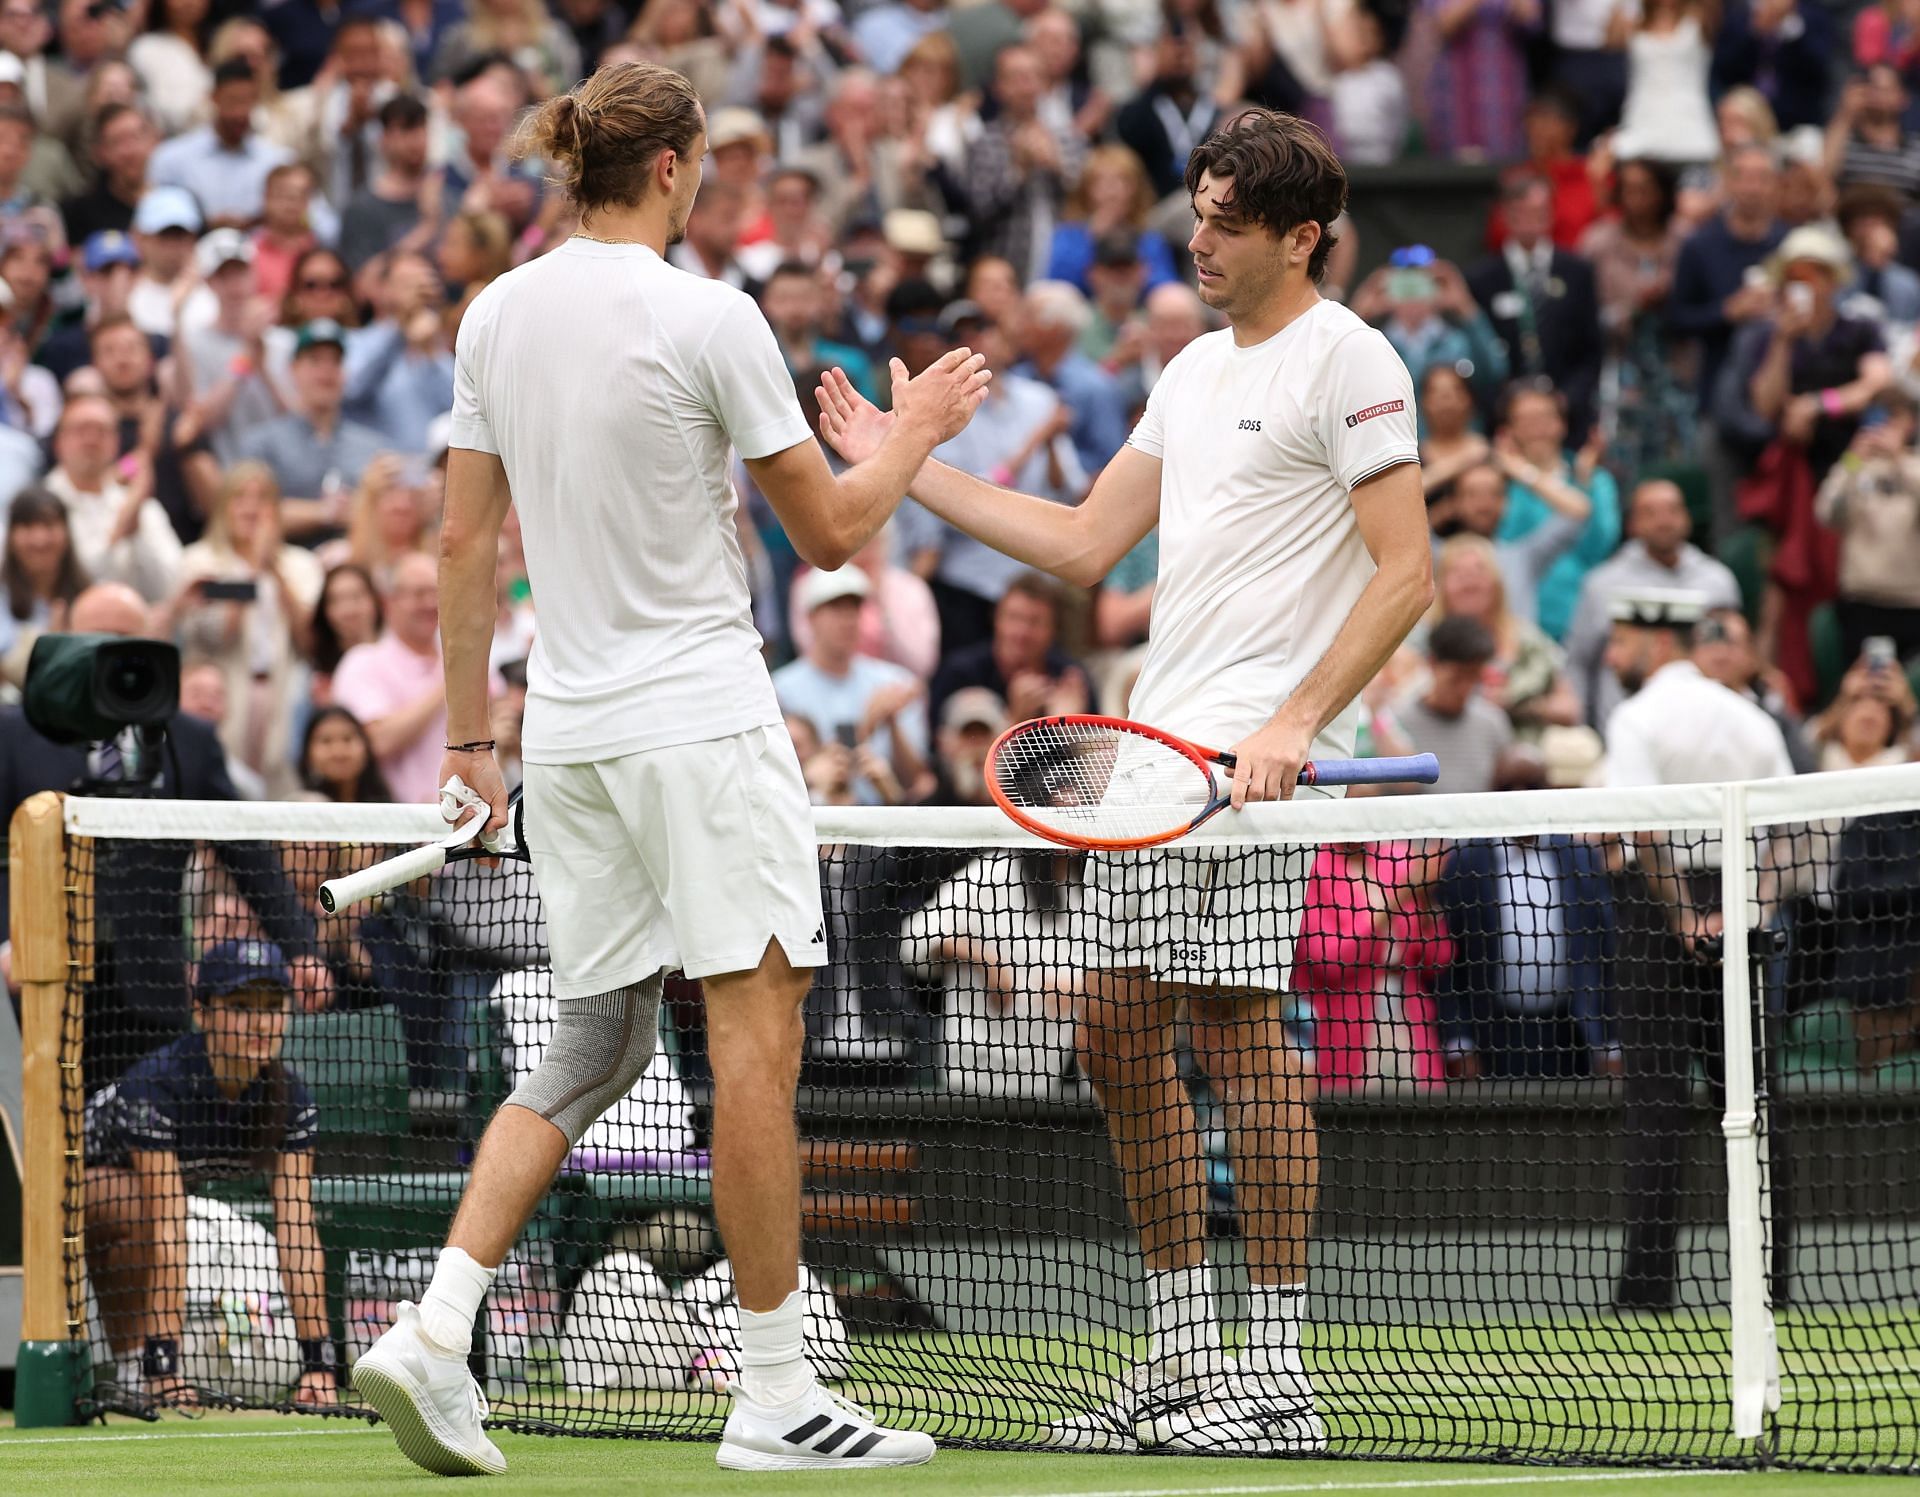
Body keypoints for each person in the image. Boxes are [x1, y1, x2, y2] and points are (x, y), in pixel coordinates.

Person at [350, 61, 987, 1477]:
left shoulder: (493, 313)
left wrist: (470, 744)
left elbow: (463, 549)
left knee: (599, 1041)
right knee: (757, 1042)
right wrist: (919, 439)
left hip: (564, 732)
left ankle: (438, 1322)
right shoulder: (713, 316)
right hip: (698, 721)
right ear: (676, 167)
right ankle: (774, 1396)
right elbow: (830, 535)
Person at [818, 106, 1430, 1453]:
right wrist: (905, 466)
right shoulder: (1194, 372)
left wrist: (1297, 719)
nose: (1197, 237)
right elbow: (1087, 541)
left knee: (1234, 1032)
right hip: (1157, 765)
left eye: (1224, 219)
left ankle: (1275, 1381)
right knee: (1111, 1030)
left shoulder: (1352, 359)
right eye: (1197, 211)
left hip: (1254, 769)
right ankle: (1178, 1357)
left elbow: (1408, 573)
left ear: (1300, 238)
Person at [0, 583, 331, 1091]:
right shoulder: (14, 731)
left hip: (148, 992)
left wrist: (301, 948)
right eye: (97, 639)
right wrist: (8, 941)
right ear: (66, 645)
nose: (112, 655)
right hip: (37, 979)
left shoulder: (190, 740)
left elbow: (247, 851)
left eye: (126, 639)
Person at [1601, 589, 1797, 1311]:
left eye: (1621, 642)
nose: (1613, 656)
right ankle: (1773, 1289)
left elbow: (1645, 829)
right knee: (1754, 1099)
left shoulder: (1634, 716)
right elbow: (1799, 830)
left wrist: (1686, 916)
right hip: (1738, 912)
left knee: (1655, 1103)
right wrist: (1746, 910)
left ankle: (1647, 1293)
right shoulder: (1750, 718)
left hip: (1659, 915)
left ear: (1656, 642)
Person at [82, 939, 334, 1412]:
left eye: (273, 1006)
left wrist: (319, 1363)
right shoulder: (157, 1088)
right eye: (240, 1007)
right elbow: (167, 1230)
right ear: (202, 1011)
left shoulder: (290, 1099)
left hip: (142, 1210)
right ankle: (140, 1368)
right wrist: (165, 1366)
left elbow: (298, 1230)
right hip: (58, 1202)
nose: (260, 1023)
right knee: (133, 1203)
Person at [166, 462, 324, 797]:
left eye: (262, 498)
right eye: (240, 497)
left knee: (278, 783)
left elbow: (311, 639)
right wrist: (253, 566)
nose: (251, 508)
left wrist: (273, 570)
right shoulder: (199, 561)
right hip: (224, 688)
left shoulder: (300, 564)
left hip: (282, 689)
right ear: (224, 506)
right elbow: (218, 633)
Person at [1564, 477, 1741, 726]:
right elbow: (1580, 662)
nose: (1664, 521)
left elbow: (1736, 657)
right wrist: (1580, 729)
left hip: (1703, 728)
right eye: (1650, 513)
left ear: (1687, 517)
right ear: (1632, 523)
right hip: (1620, 725)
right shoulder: (1602, 585)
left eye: (1672, 510)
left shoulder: (1717, 581)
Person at [772, 565, 930, 806]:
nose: (848, 620)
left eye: (854, 609)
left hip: (881, 824)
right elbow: (773, 780)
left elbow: (916, 780)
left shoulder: (894, 681)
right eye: (835, 609)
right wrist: (816, 773)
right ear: (811, 617)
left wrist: (892, 723)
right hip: (814, 825)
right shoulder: (779, 689)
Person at [44, 392, 182, 605]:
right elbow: (66, 584)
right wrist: (120, 530)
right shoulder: (37, 505)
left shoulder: (144, 508)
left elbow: (171, 587)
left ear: (116, 443)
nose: (91, 440)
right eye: (81, 430)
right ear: (58, 442)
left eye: (102, 431)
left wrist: (137, 534)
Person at [1389, 615, 1514, 794]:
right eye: (1456, 678)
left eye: (1474, 678)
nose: (1465, 688)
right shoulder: (1397, 722)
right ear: (1432, 663)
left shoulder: (1492, 723)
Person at [0, 484, 87, 661]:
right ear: (11, 536)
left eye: (49, 525)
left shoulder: (90, 597)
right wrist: (51, 646)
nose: (39, 540)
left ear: (66, 533)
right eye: (27, 526)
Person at [299, 704, 395, 802]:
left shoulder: (385, 807)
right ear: (308, 752)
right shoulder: (300, 807)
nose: (338, 752)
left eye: (347, 739)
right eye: (326, 741)